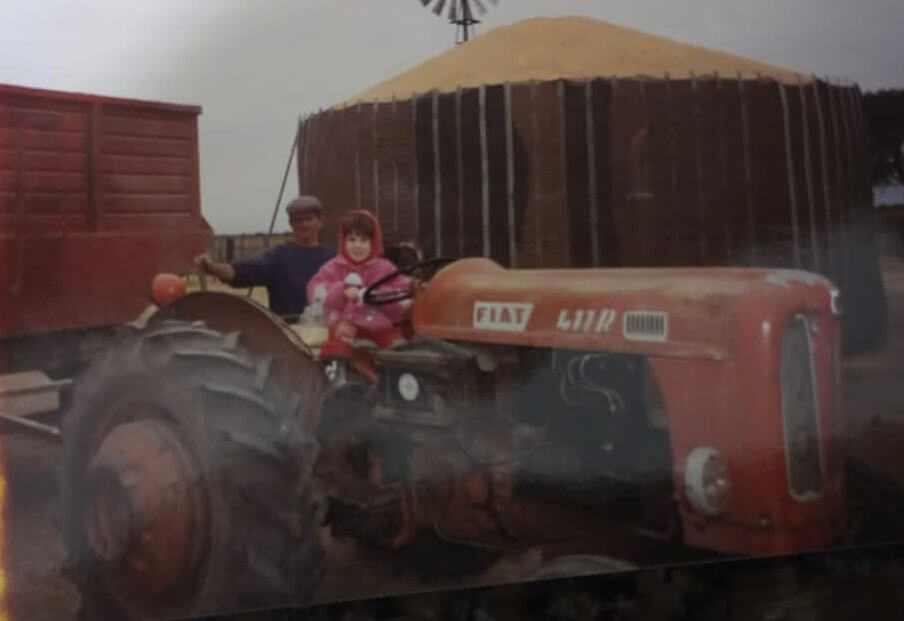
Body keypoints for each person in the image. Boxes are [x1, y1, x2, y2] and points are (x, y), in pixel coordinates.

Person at [193, 195, 336, 318]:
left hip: (327, 334)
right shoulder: (277, 258)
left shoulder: (334, 260)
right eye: (298, 220)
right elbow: (240, 271)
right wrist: (211, 268)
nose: (304, 225)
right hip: (288, 336)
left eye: (309, 219)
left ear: (320, 221)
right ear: (291, 224)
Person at [306, 209, 411, 373]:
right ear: (343, 241)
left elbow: (401, 295)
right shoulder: (333, 267)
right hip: (344, 327)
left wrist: (371, 294)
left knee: (399, 355)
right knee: (335, 351)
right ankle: (337, 383)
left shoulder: (385, 268)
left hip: (380, 328)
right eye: (352, 240)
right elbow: (315, 291)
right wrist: (341, 291)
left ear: (374, 242)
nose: (357, 246)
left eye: (363, 240)